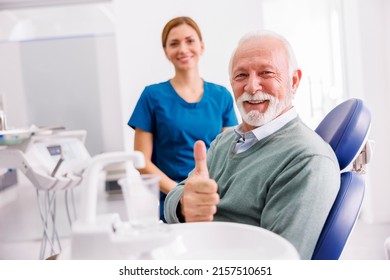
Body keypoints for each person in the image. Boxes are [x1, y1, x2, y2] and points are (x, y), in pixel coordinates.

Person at [164, 30, 340, 259]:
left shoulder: (307, 160)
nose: (252, 87)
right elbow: (174, 201)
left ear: (293, 81)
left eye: (266, 73)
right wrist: (183, 204)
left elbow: (280, 264)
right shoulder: (224, 141)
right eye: (241, 76)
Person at [128, 16, 238, 222]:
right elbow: (142, 162)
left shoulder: (222, 96)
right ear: (166, 51)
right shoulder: (152, 96)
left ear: (202, 46)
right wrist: (181, 195)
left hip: (214, 201)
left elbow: (231, 155)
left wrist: (207, 195)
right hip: (173, 206)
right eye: (174, 43)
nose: (183, 49)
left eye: (190, 40)